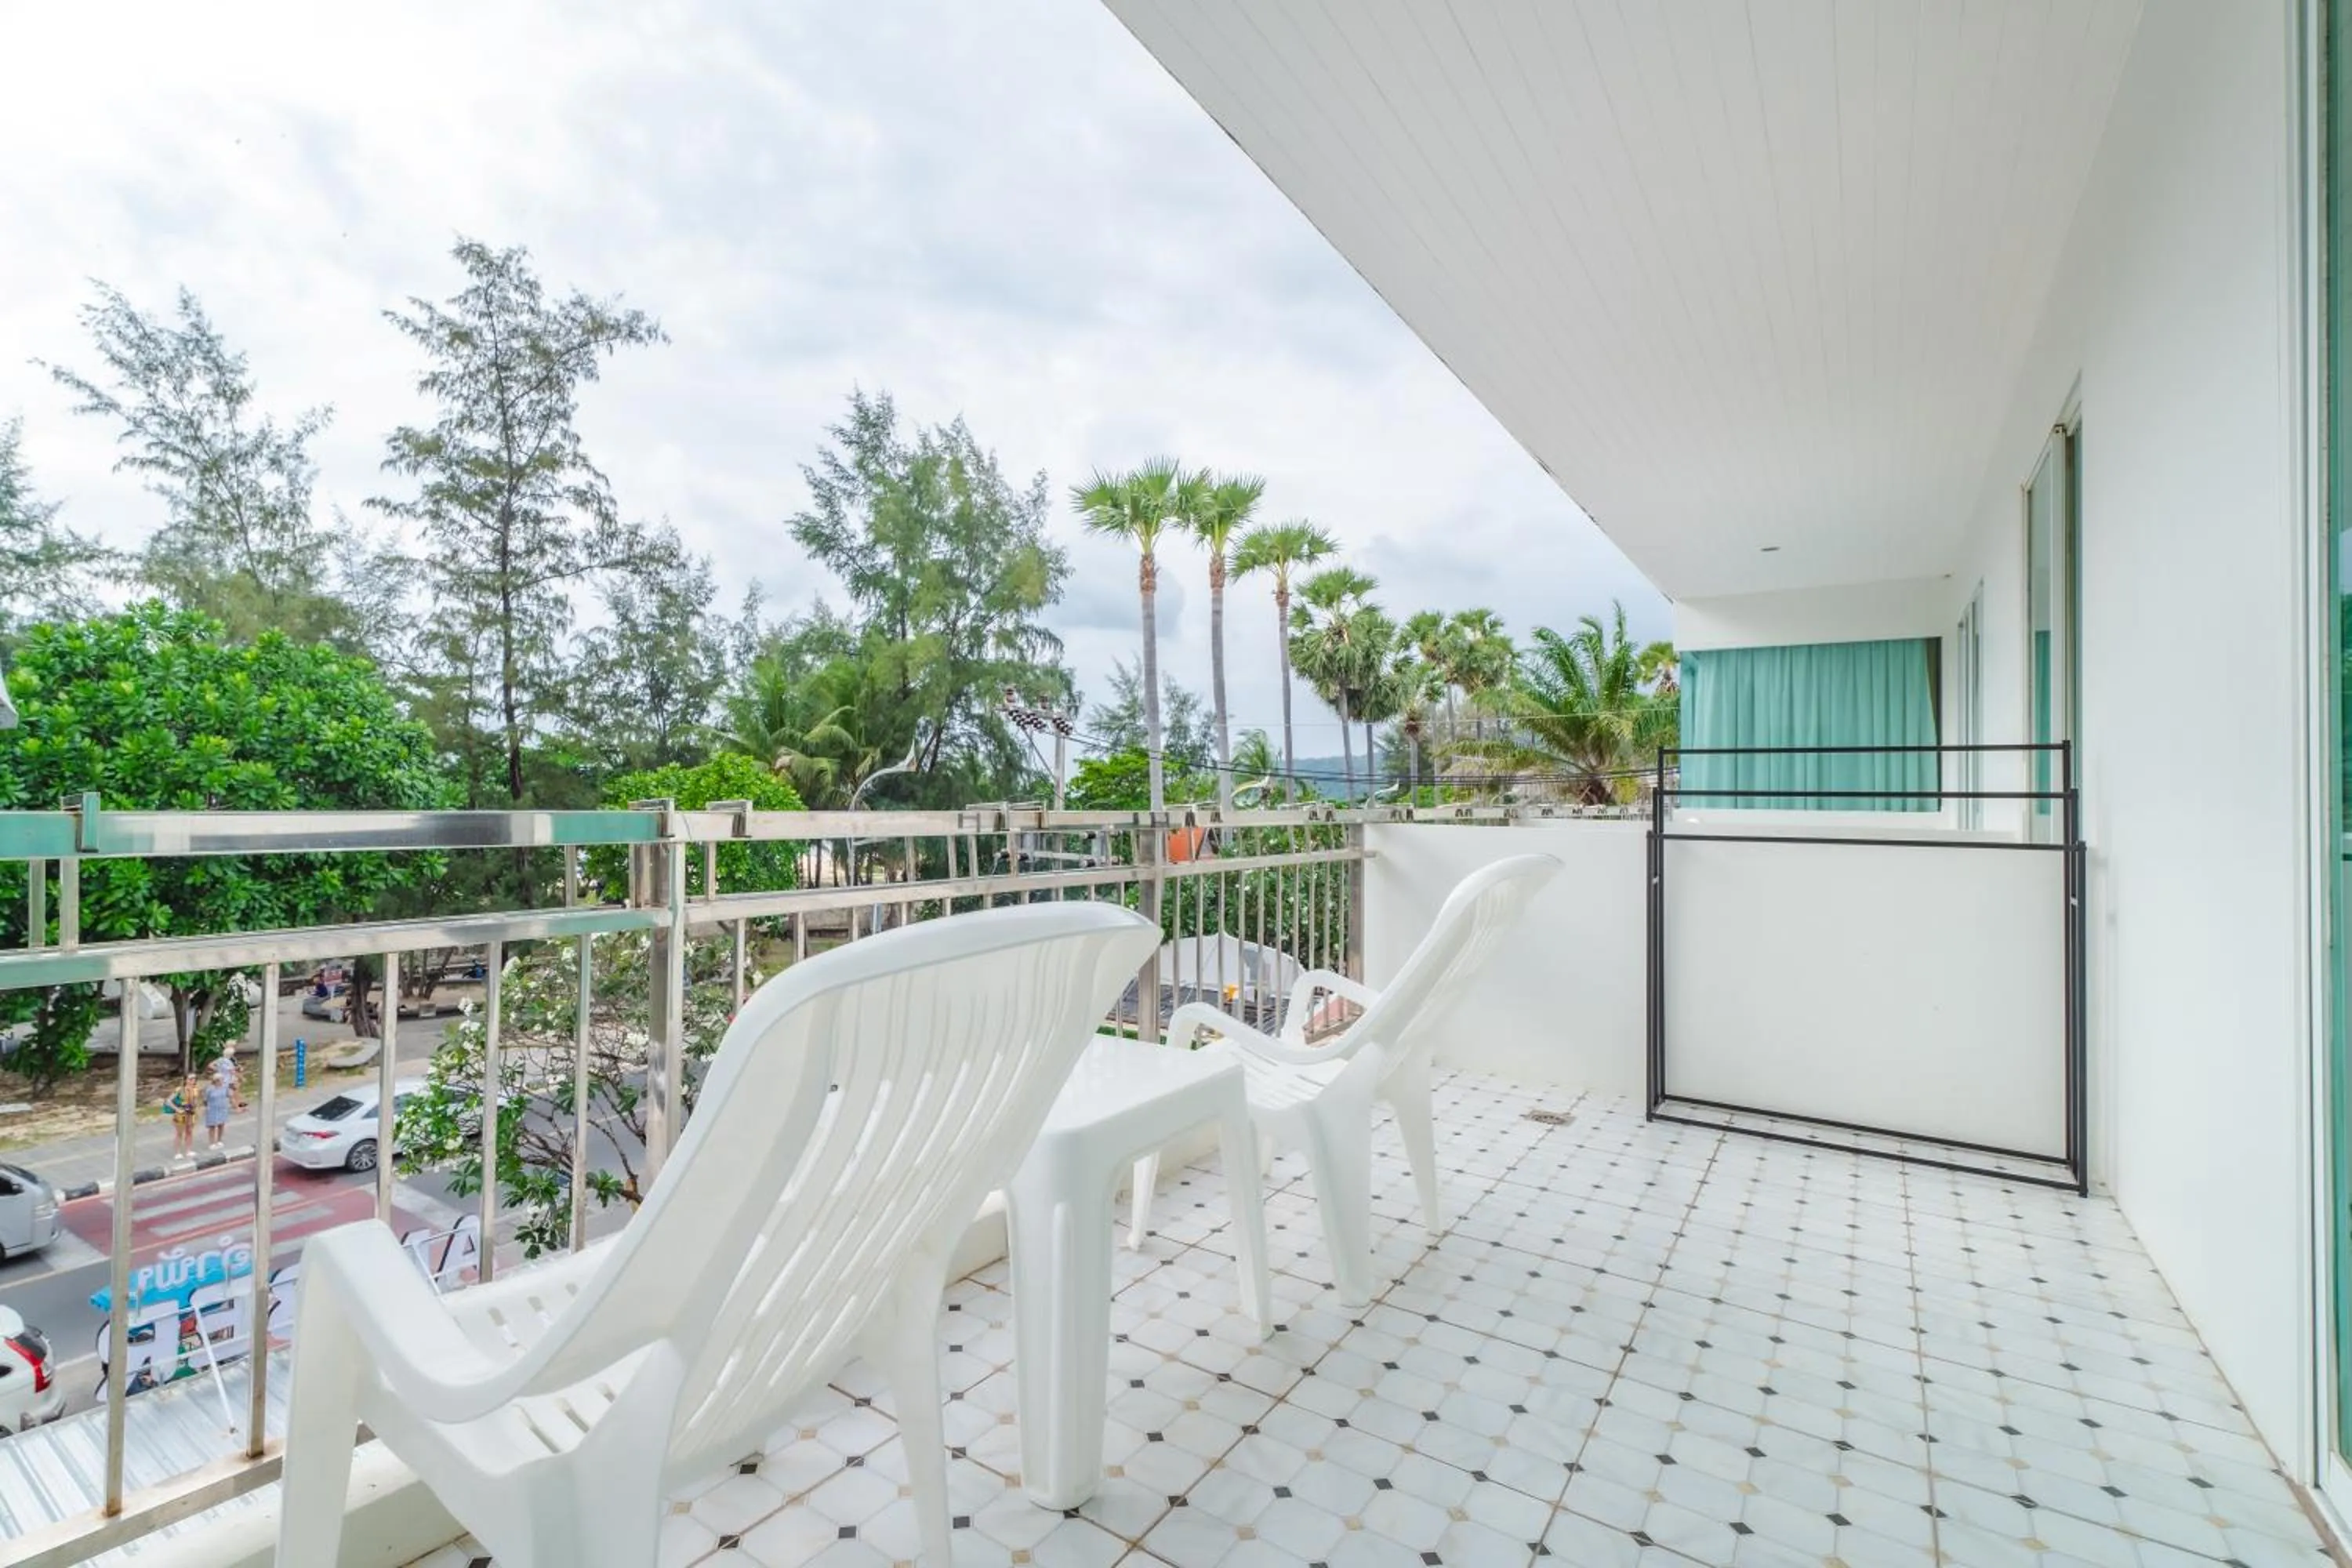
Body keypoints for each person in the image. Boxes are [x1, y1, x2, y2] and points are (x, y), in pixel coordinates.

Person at [201, 1072, 241, 1151]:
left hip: (222, 1109)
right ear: (216, 1080)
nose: (223, 1081)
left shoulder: (225, 1087)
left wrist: (237, 1107)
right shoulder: (210, 1089)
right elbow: (205, 1100)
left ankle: (219, 1141)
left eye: (223, 1079)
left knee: (221, 1125)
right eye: (221, 1079)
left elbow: (231, 1097)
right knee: (212, 1126)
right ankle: (212, 1143)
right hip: (212, 1109)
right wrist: (206, 1107)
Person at [164, 1073, 198, 1159]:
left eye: (194, 1079)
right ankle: (177, 1152)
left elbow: (195, 1101)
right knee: (179, 1133)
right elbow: (168, 1101)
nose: (192, 1081)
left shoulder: (195, 1089)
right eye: (190, 1079)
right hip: (181, 1113)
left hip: (191, 1112)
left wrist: (195, 1106)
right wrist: (177, 1109)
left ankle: (188, 1150)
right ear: (186, 1080)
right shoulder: (180, 1090)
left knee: (189, 1131)